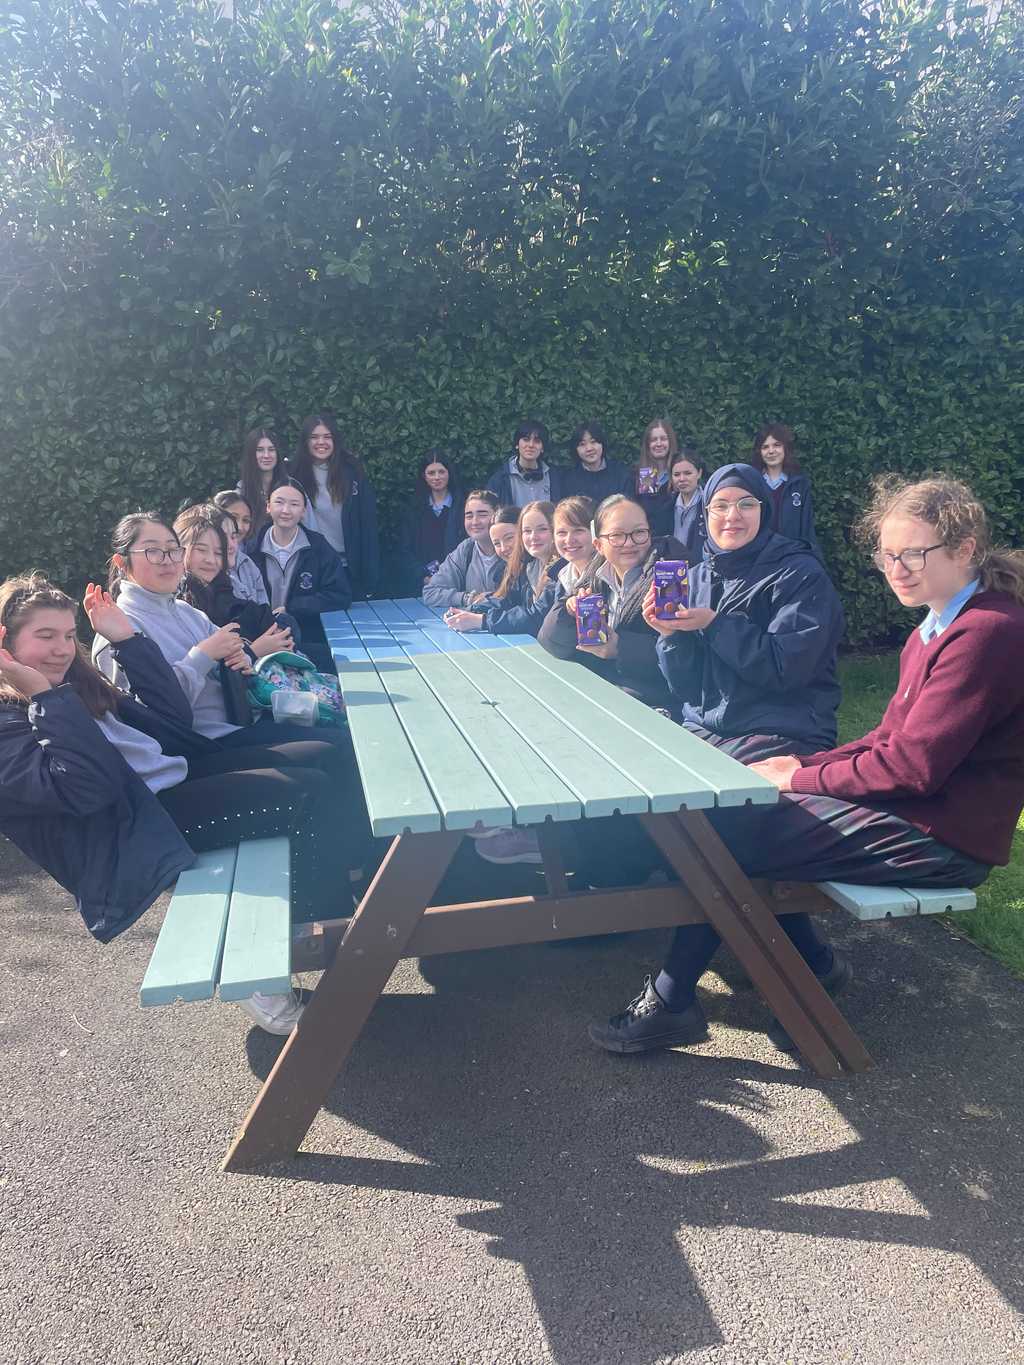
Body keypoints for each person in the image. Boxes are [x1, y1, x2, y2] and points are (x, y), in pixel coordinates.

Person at [589, 475, 1024, 1056]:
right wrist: (804, 763)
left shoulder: (987, 633)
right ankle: (812, 967)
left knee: (724, 832)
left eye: (913, 554)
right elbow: (888, 740)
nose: (897, 570)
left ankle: (676, 1001)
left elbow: (912, 766)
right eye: (887, 555)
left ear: (965, 549)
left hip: (942, 836)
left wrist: (797, 776)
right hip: (914, 809)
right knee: (730, 821)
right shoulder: (938, 625)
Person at [0, 574, 361, 1035]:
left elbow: (172, 717)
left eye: (69, 635)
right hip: (139, 827)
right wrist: (46, 698)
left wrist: (126, 640)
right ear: (6, 643)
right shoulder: (17, 713)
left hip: (173, 781)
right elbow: (89, 791)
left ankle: (350, 894)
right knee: (307, 791)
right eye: (45, 636)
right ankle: (279, 954)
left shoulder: (75, 682)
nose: (62, 649)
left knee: (327, 755)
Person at [538, 495, 683, 709]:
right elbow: (551, 643)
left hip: (652, 706)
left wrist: (620, 648)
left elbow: (685, 660)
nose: (629, 543)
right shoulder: (593, 577)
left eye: (639, 533)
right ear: (598, 544)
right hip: (599, 694)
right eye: (617, 535)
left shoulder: (669, 579)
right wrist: (567, 610)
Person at [245, 479, 352, 671]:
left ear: (303, 511)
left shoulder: (318, 547)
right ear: (268, 506)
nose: (286, 510)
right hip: (258, 639)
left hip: (306, 638)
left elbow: (339, 595)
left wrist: (292, 607)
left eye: (294, 504)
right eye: (279, 502)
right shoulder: (251, 548)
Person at [174, 505, 296, 658]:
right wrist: (254, 651)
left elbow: (256, 615)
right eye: (201, 550)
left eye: (219, 552)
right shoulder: (179, 597)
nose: (211, 559)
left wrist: (276, 632)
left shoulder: (225, 584)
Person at [291, 412, 379, 599]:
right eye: (314, 437)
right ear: (305, 441)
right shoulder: (293, 475)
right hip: (313, 567)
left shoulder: (352, 472)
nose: (321, 442)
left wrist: (370, 576)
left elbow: (367, 524)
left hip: (350, 568)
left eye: (327, 437)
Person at [444, 502, 561, 636]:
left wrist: (481, 621)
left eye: (542, 529)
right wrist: (470, 611)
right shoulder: (530, 565)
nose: (533, 537)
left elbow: (537, 616)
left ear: (555, 530)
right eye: (527, 531)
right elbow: (507, 600)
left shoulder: (560, 570)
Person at [397, 452, 466, 593]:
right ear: (424, 476)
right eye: (431, 473)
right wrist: (423, 577)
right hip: (422, 586)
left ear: (449, 473)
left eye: (441, 472)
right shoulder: (413, 509)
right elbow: (404, 550)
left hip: (458, 584)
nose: (437, 477)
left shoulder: (463, 507)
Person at [422, 489, 502, 609]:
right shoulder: (466, 549)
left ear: (497, 516)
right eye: (469, 516)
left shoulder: (513, 549)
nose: (475, 522)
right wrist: (468, 598)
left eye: (482, 515)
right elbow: (430, 593)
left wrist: (489, 600)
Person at [752, 422, 821, 558]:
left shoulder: (800, 484)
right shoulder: (752, 483)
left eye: (777, 445)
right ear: (759, 452)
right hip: (758, 557)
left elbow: (807, 527)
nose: (771, 451)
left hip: (791, 557)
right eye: (765, 447)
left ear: (785, 448)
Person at [486, 420, 561, 508]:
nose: (531, 445)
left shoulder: (554, 477)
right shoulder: (500, 480)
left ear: (542, 448)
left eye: (537, 441)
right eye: (526, 439)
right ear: (517, 444)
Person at [212, 491, 269, 605]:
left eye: (246, 520)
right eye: (233, 517)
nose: (240, 527)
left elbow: (264, 605)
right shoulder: (206, 563)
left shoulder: (248, 563)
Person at [559, 422, 632, 504]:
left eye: (593, 441)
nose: (589, 448)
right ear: (575, 449)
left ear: (602, 444)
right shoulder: (569, 479)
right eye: (582, 444)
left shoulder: (620, 473)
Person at [237, 428, 287, 542]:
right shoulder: (241, 493)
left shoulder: (291, 488)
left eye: (271, 449)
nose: (266, 455)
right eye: (260, 450)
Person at [633, 418, 678, 529]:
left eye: (663, 439)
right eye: (654, 440)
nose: (659, 444)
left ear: (670, 442)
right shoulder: (644, 474)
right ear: (648, 444)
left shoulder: (678, 473)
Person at [667, 448, 706, 563]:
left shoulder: (709, 505)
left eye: (688, 473)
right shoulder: (666, 507)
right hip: (671, 568)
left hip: (700, 568)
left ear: (699, 473)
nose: (682, 479)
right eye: (676, 475)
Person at [552, 496, 596, 593]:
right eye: (562, 532)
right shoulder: (563, 577)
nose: (569, 540)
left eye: (578, 530)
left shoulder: (608, 577)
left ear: (595, 532)